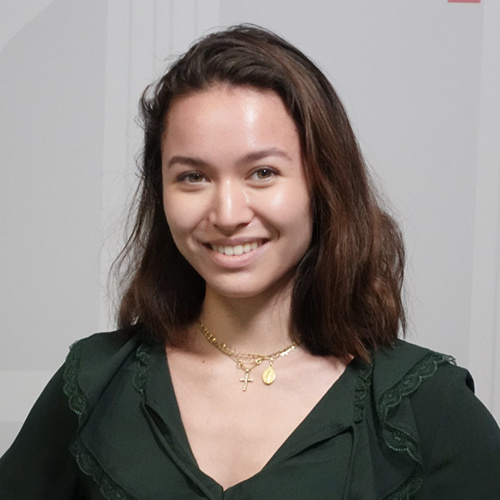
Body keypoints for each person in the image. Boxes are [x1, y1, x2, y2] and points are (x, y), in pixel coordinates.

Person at [1, 24, 499, 500]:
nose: (227, 214)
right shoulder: (93, 382)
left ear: (322, 184)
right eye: (193, 177)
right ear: (161, 192)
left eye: (262, 172)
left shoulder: (427, 406)